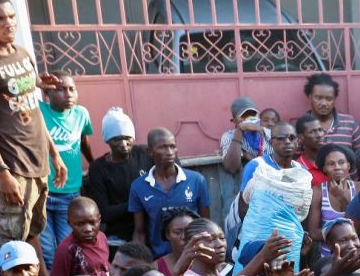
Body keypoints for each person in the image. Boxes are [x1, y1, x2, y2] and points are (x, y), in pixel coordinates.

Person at [0, 0, 66, 276]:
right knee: (12, 243)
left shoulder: (21, 53)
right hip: (13, 166)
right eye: (0, 19)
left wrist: (55, 153)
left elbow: (31, 106)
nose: (9, 24)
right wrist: (0, 170)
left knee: (33, 230)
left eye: (12, 17)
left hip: (39, 161)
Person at [38, 70, 94, 267]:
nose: (68, 94)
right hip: (43, 194)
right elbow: (19, 98)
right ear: (48, 93)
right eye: (61, 89)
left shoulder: (81, 114)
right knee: (47, 252)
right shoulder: (38, 110)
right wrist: (36, 83)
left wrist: (92, 163)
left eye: (72, 89)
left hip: (69, 195)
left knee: (67, 248)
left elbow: (83, 140)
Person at [128, 127, 210, 257]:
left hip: (195, 255)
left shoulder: (196, 180)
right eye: (162, 147)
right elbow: (140, 232)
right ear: (150, 151)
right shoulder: (139, 186)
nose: (169, 152)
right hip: (160, 257)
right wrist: (140, 261)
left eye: (173, 147)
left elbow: (205, 223)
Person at [83, 106, 150, 244]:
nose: (123, 144)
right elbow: (104, 212)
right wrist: (136, 203)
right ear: (107, 140)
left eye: (127, 138)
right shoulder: (98, 168)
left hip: (151, 225)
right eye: (116, 139)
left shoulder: (145, 154)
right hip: (119, 232)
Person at [49, 196, 110, 276]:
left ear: (99, 219)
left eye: (92, 222)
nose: (88, 229)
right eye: (80, 224)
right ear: (69, 223)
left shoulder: (102, 237)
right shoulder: (66, 250)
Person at [305, 72, 360, 149]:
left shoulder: (349, 123)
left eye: (329, 99)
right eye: (318, 98)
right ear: (310, 97)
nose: (324, 103)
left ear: (334, 98)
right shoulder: (302, 126)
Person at [220, 95, 269, 175]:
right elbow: (231, 168)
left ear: (258, 116)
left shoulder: (269, 133)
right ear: (234, 121)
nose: (249, 118)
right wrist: (239, 130)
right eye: (244, 115)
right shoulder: (228, 136)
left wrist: (247, 154)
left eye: (253, 114)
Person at [296, 113, 327, 186]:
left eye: (320, 130)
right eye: (312, 132)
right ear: (301, 138)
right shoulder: (298, 169)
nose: (319, 135)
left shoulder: (334, 161)